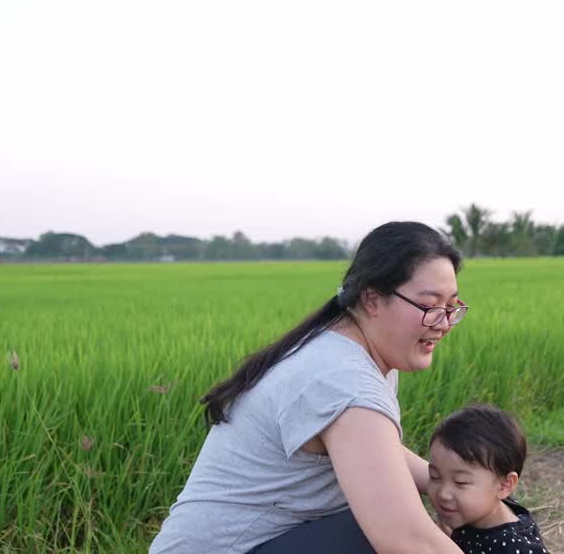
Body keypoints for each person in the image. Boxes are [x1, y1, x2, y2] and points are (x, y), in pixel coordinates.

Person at [149, 222, 469, 554]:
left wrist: (446, 485)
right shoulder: (343, 380)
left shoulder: (351, 350)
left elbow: (373, 449)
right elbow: (408, 541)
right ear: (372, 300)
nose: (444, 323)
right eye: (430, 306)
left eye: (451, 307)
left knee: (381, 511)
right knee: (377, 530)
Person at [427, 405, 549, 554]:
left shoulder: (514, 547)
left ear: (505, 485)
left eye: (460, 482)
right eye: (435, 477)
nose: (443, 493)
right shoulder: (476, 510)